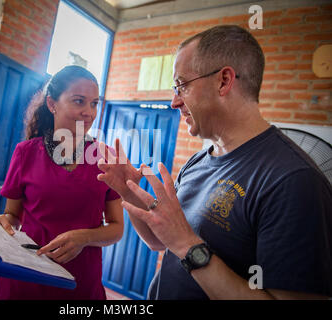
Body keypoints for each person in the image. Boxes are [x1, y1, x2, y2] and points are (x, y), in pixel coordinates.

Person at [97, 25, 332, 300]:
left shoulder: (294, 180)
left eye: (181, 85)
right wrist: (128, 190)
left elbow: (183, 243)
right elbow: (159, 242)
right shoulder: (199, 161)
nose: (174, 102)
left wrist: (189, 245)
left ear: (223, 81)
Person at [0, 65, 124, 300]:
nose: (89, 112)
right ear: (52, 104)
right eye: (79, 101)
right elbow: (12, 216)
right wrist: (4, 222)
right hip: (25, 278)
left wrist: (85, 237)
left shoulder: (107, 157)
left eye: (94, 103)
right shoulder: (25, 153)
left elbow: (116, 228)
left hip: (79, 285)